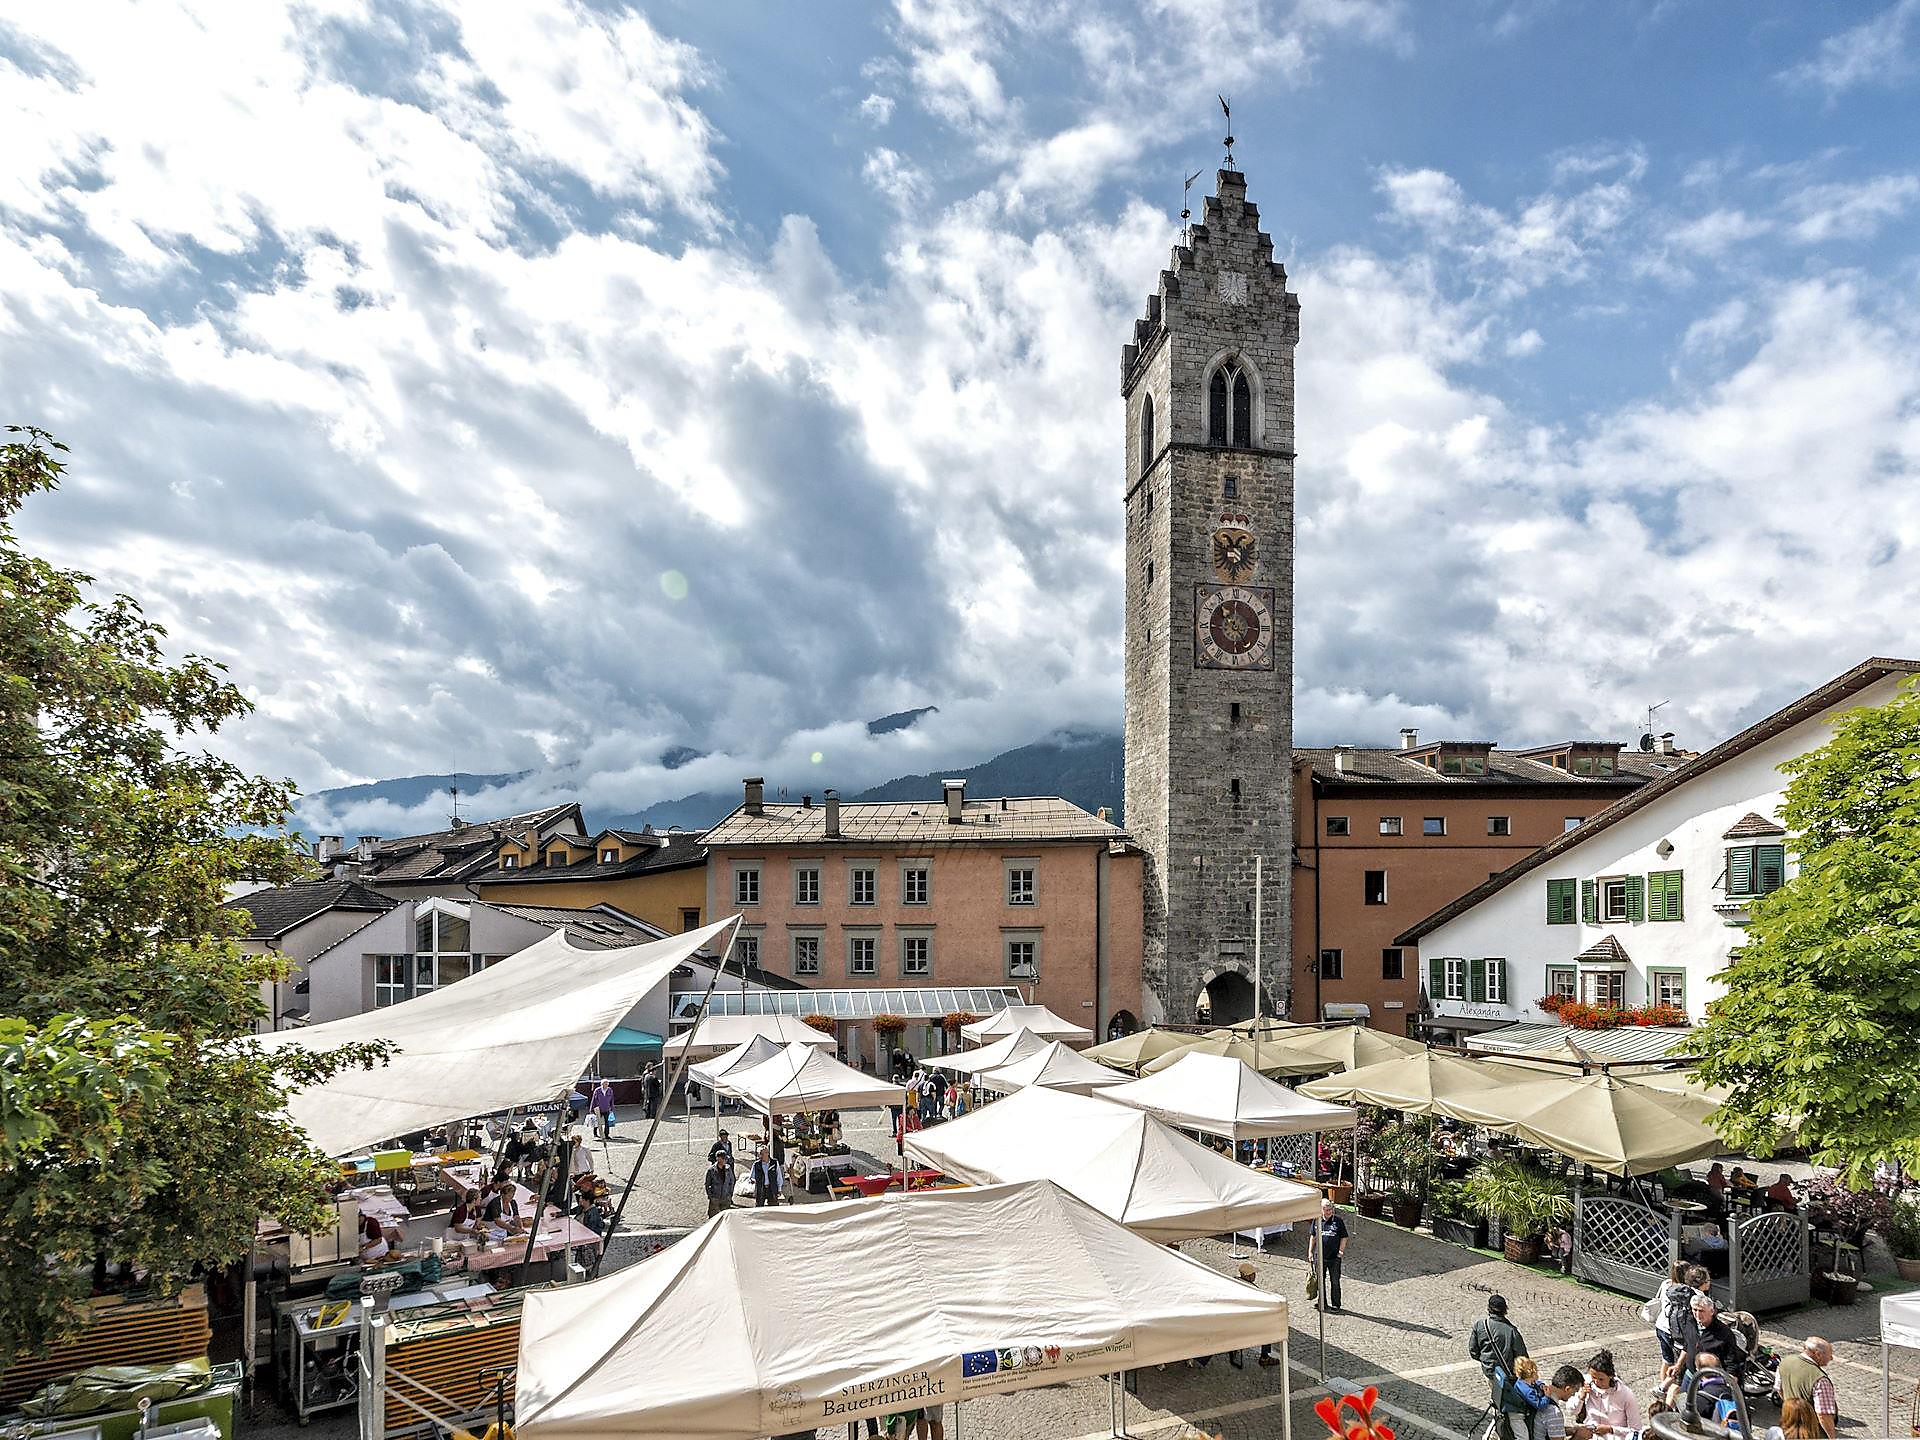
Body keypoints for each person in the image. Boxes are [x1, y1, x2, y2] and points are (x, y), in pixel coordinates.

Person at [1470, 1293, 1530, 1440]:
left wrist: (1487, 1363)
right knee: (1507, 1410)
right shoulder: (1512, 1331)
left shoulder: (1480, 1325)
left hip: (1490, 1375)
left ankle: (1494, 1434)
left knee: (1499, 1405)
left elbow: (1473, 1351)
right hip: (1507, 1378)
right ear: (1505, 1310)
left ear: (1488, 1309)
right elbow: (1523, 1358)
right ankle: (1492, 1435)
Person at [1775, 1337, 1838, 1438]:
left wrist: (1791, 1408)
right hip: (1811, 1431)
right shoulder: (1820, 1379)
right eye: (1829, 1355)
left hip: (1790, 1425)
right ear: (1818, 1354)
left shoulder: (1785, 1362)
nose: (1831, 1358)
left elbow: (1779, 1388)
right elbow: (1823, 1415)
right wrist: (1832, 1437)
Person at [1579, 1349, 1643, 1434]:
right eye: (1593, 1377)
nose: (1596, 1382)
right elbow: (1571, 1410)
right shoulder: (1586, 1384)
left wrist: (1611, 1429)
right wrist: (1580, 1398)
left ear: (1610, 1376)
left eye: (1601, 1379)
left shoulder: (1626, 1394)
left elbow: (1636, 1430)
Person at [1314, 1198, 1349, 1311]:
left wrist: (1341, 1251)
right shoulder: (1317, 1220)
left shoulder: (1338, 1221)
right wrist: (1310, 1251)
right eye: (1326, 1210)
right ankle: (1322, 1303)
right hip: (1319, 1257)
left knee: (1335, 1280)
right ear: (1321, 1210)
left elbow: (1344, 1237)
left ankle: (1336, 1304)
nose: (1329, 1212)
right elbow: (1312, 1236)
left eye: (1330, 1209)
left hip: (1334, 1257)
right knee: (1320, 1280)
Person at [704, 1150, 736, 1218]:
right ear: (718, 1158)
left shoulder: (728, 1168)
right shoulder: (711, 1170)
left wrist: (730, 1194)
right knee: (713, 1218)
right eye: (723, 1158)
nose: (725, 1160)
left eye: (726, 1158)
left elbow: (732, 1181)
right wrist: (711, 1196)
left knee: (725, 1218)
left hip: (726, 1197)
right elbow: (707, 1184)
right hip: (715, 1198)